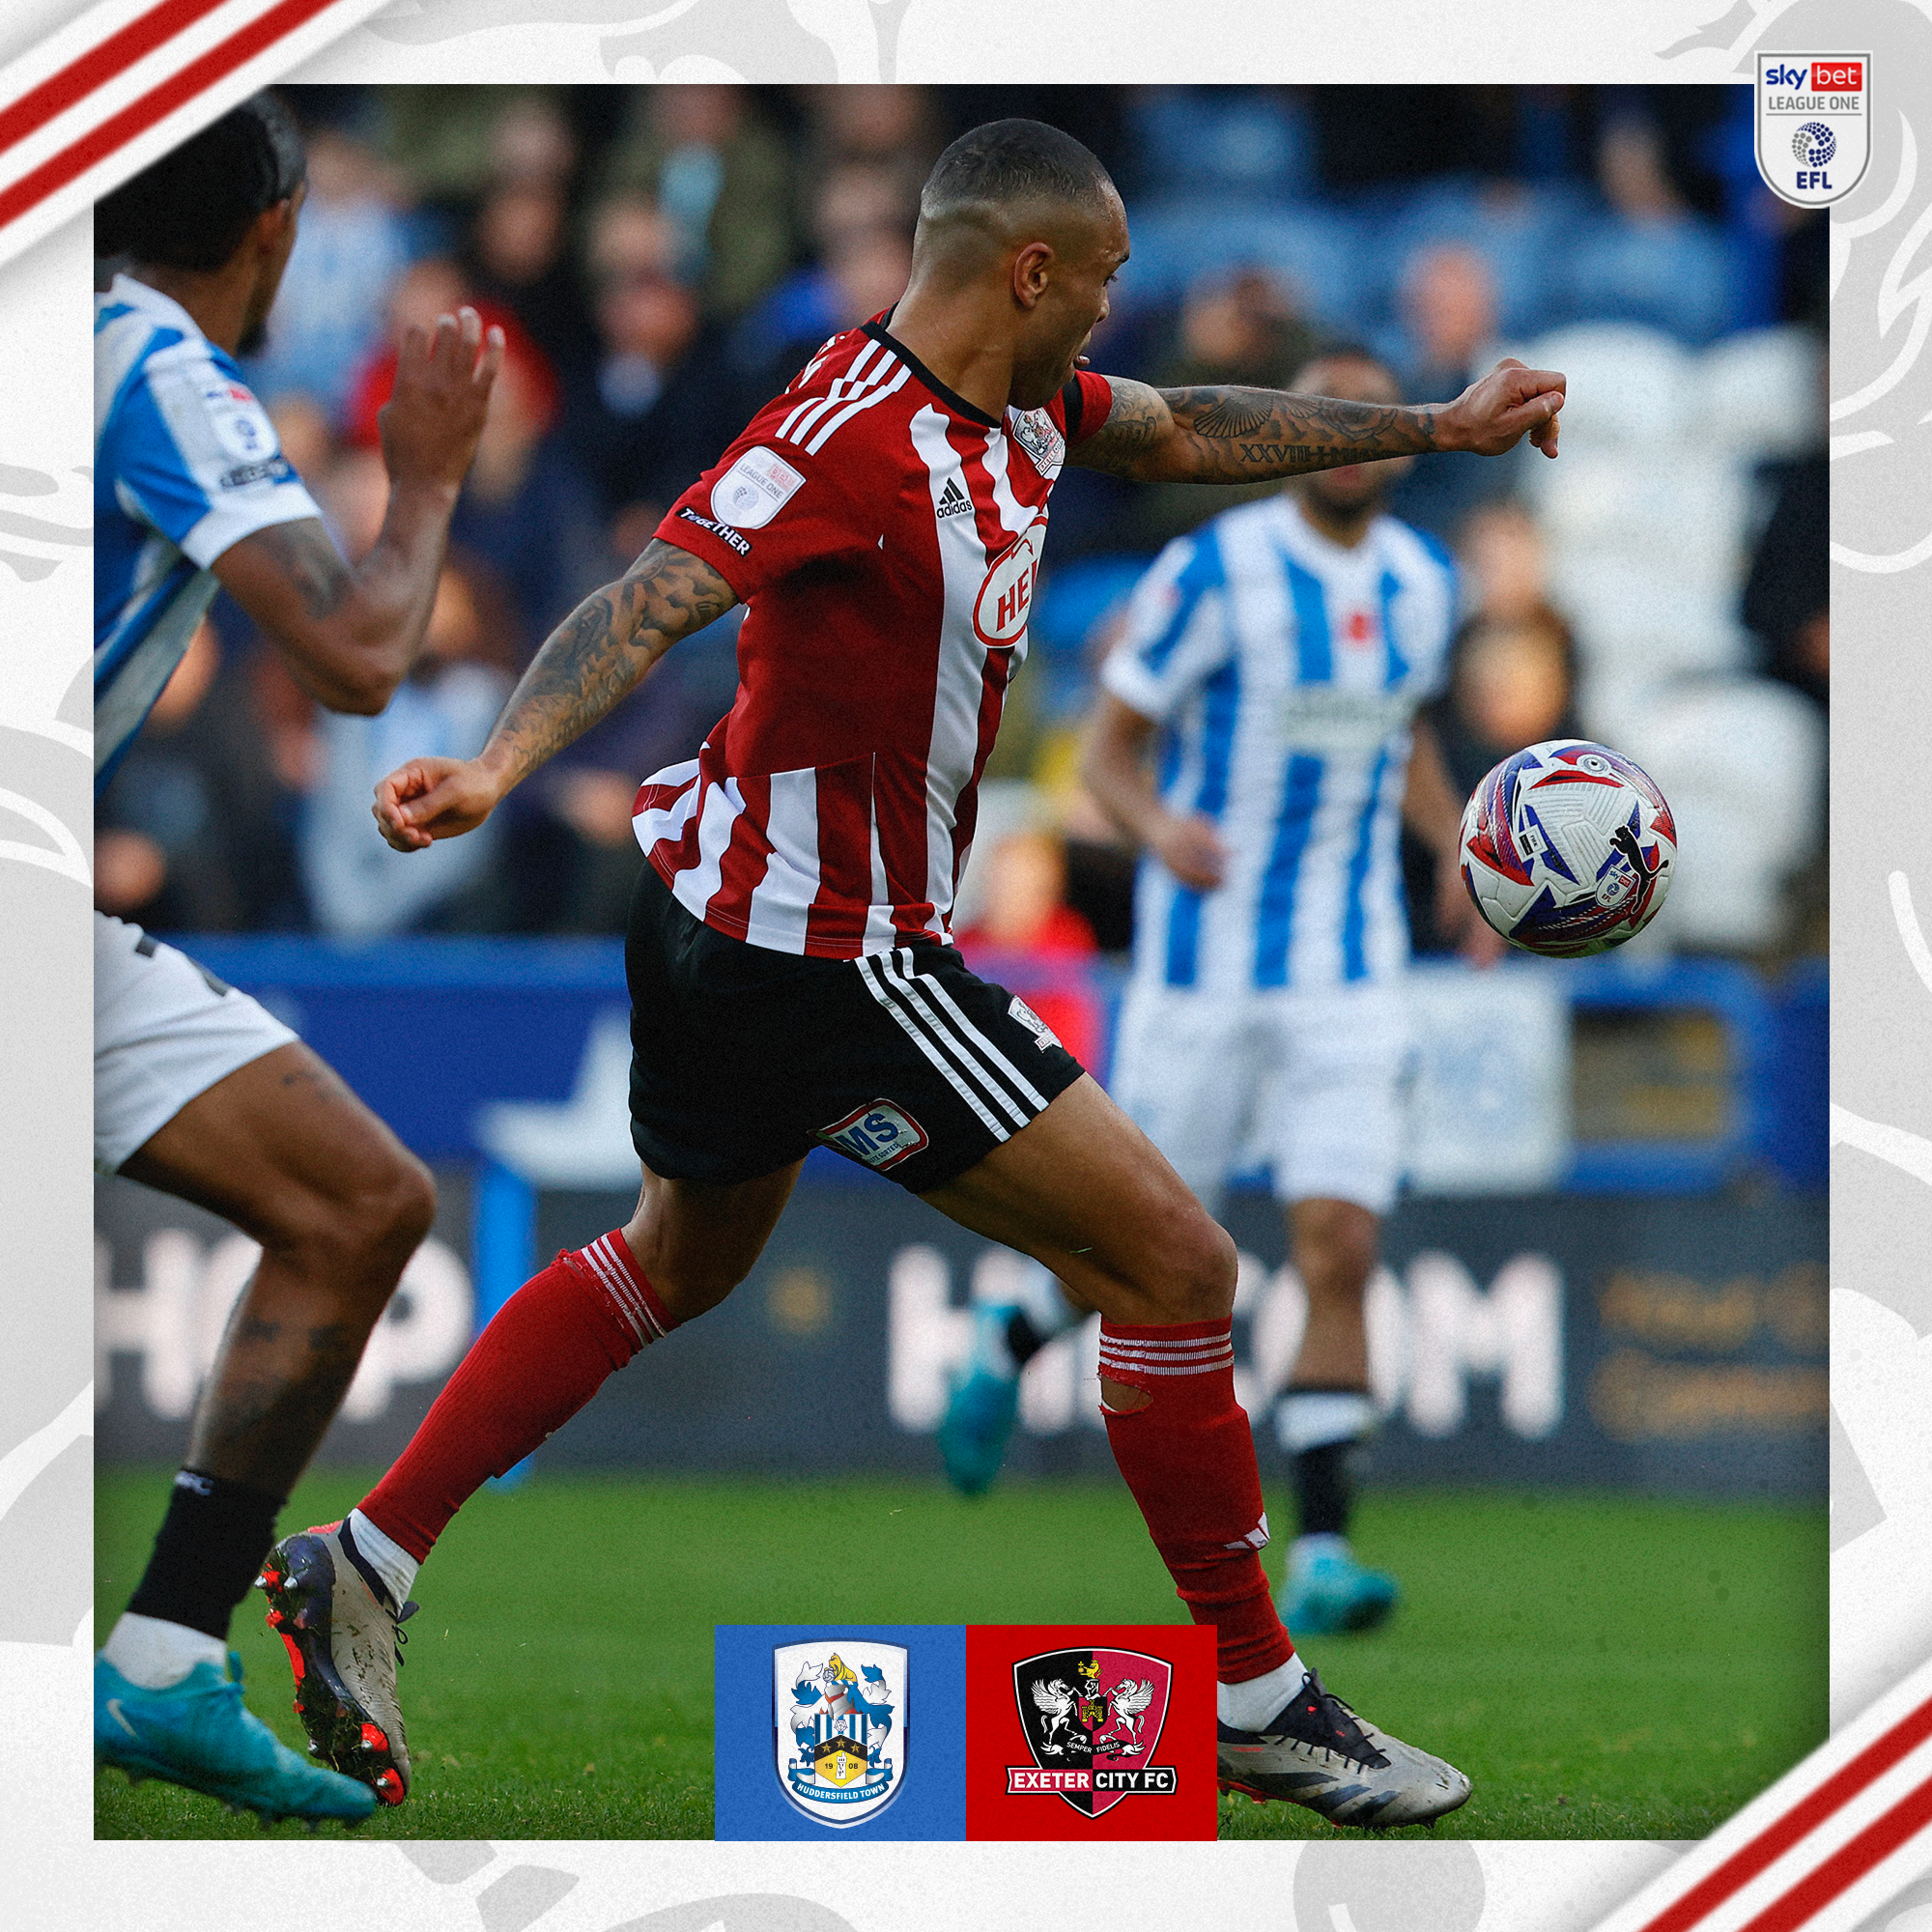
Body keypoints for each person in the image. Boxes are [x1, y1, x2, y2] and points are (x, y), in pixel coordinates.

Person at [265, 119, 1560, 1827]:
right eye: (1096, 283)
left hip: (725, 912)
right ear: (1025, 271)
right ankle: (1255, 1698)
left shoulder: (1021, 402)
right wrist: (503, 766)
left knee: (672, 1262)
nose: (1110, 317)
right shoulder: (846, 434)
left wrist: (1434, 426)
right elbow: (650, 600)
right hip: (828, 958)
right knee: (1179, 1267)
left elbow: (1177, 425)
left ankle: (365, 1556)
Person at [947, 348, 1508, 1637]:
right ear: (1299, 433)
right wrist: (1155, 833)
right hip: (1202, 972)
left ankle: (1322, 1552)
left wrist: (1458, 857)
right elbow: (1109, 744)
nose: (1352, 441)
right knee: (1145, 1247)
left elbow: (1408, 730)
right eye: (1327, 418)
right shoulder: (1216, 568)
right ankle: (1010, 1336)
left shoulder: (1427, 584)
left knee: (1342, 1245)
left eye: (1372, 420)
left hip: (1350, 974)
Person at [92, 94, 500, 1825]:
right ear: (270, 227)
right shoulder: (151, 361)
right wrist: (424, 475)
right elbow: (354, 649)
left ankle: (169, 1663)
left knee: (354, 1201)